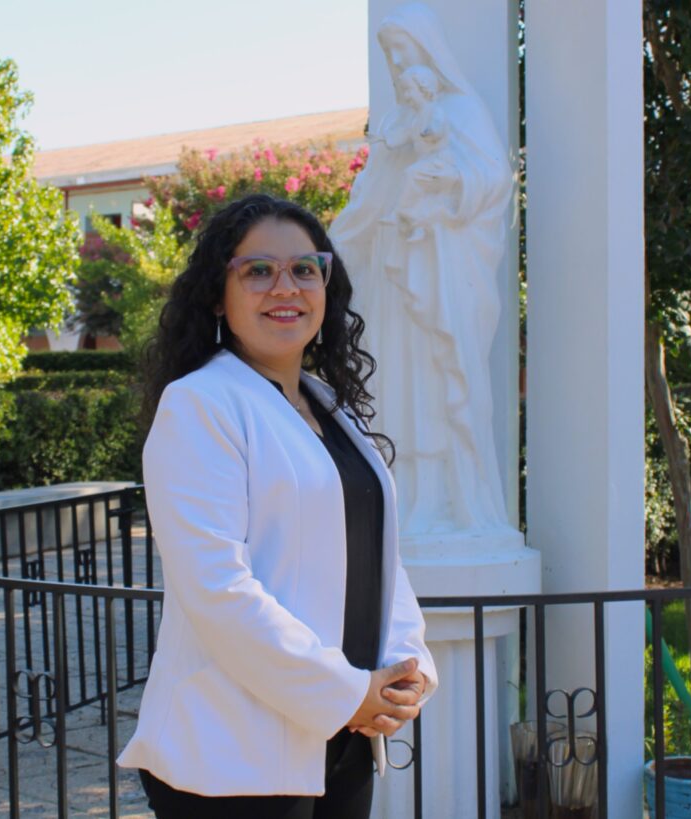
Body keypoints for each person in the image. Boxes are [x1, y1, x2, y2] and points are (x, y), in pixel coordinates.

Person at [117, 194, 437, 819]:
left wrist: (407, 667)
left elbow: (376, 554)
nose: (285, 287)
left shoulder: (328, 405)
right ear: (218, 296)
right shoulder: (200, 404)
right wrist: (346, 692)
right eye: (258, 270)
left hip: (344, 741)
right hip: (234, 757)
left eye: (305, 269)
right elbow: (218, 588)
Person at [329, 3, 515, 537]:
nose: (396, 63)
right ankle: (408, 499)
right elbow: (370, 194)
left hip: (441, 273)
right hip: (394, 273)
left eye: (403, 50)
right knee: (398, 384)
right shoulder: (398, 120)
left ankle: (451, 500)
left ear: (429, 50)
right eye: (389, 54)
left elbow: (493, 180)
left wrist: (449, 184)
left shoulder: (461, 112)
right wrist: (335, 249)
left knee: (442, 378)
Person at [375, 64, 459, 243]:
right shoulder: (416, 118)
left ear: (424, 89)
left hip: (438, 161)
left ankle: (400, 212)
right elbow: (405, 135)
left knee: (411, 175)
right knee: (412, 182)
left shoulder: (434, 111)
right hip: (426, 162)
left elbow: (438, 128)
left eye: (409, 90)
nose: (406, 96)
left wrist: (430, 132)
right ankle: (417, 226)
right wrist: (384, 139)